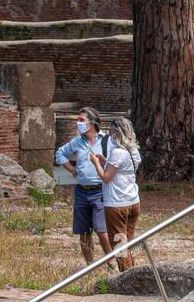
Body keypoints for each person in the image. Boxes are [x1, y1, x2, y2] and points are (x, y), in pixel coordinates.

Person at [54, 107, 114, 266]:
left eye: (81, 120)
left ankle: (112, 264)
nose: (78, 123)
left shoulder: (107, 141)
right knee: (84, 233)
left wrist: (106, 166)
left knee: (102, 231)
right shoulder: (77, 142)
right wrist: (72, 170)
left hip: (100, 191)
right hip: (82, 191)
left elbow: (117, 162)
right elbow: (60, 154)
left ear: (92, 122)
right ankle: (90, 266)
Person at [91, 117, 141, 271]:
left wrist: (97, 163)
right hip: (133, 200)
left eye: (111, 132)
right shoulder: (133, 151)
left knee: (119, 245)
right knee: (128, 241)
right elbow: (122, 170)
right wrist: (106, 161)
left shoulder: (118, 152)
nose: (110, 135)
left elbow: (106, 178)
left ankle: (126, 278)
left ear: (117, 132)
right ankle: (133, 272)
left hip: (117, 203)